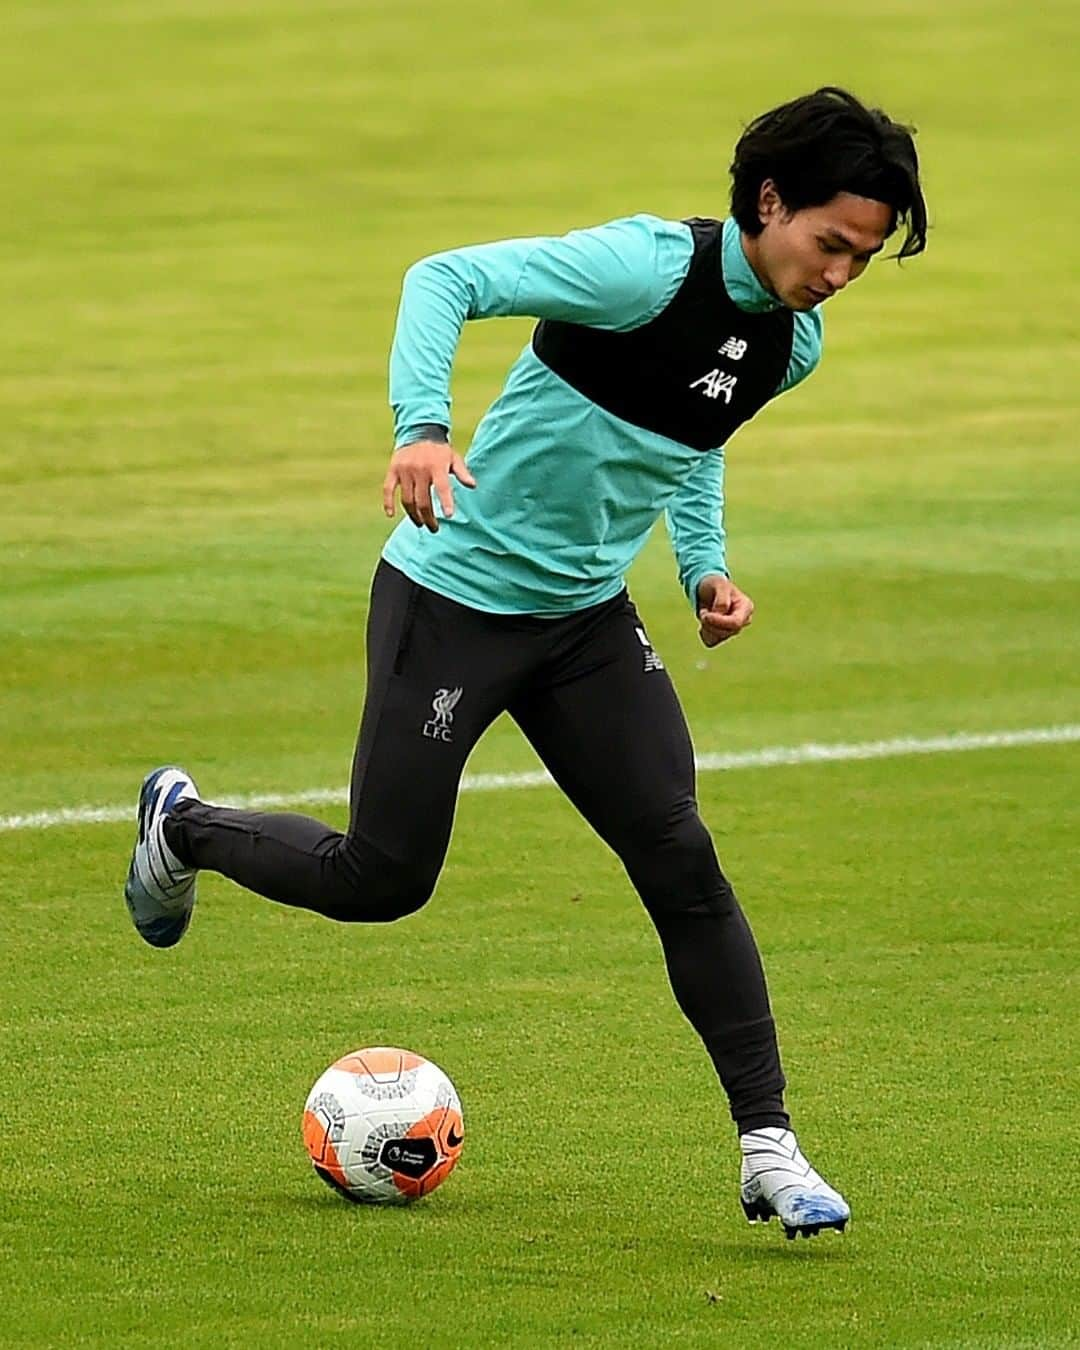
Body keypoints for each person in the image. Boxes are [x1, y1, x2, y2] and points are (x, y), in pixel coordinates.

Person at [125, 86, 927, 1239]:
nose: (841, 273)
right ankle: (183, 827)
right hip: (454, 597)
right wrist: (421, 425)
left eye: (865, 257)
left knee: (683, 860)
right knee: (383, 879)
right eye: (831, 243)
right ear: (768, 201)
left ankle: (769, 1149)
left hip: (585, 625)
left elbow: (693, 445)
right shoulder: (645, 271)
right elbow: (443, 278)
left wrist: (703, 566)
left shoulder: (792, 342)